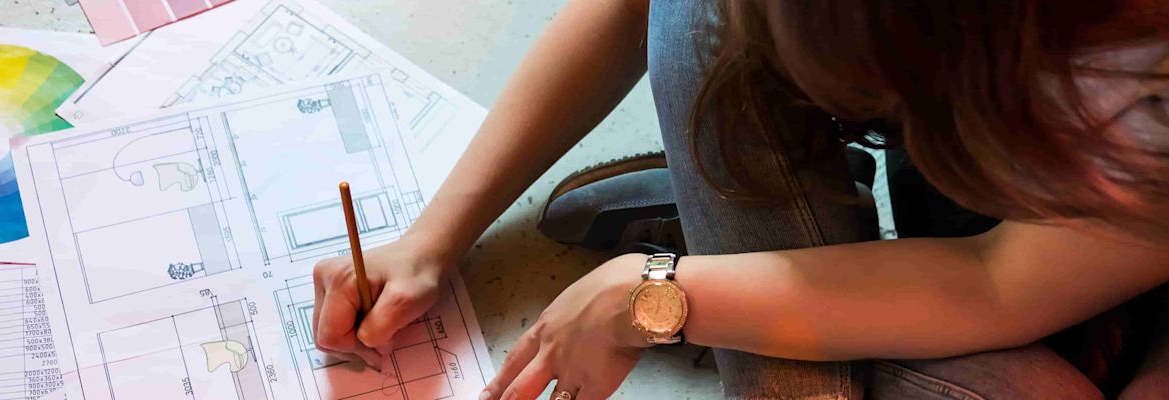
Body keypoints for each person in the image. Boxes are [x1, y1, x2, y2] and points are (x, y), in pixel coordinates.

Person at [312, 0, 1169, 398]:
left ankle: (735, 262)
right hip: (1025, 223)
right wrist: (432, 239)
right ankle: (751, 268)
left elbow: (993, 284)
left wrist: (648, 297)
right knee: (701, 16)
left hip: (1072, 287)